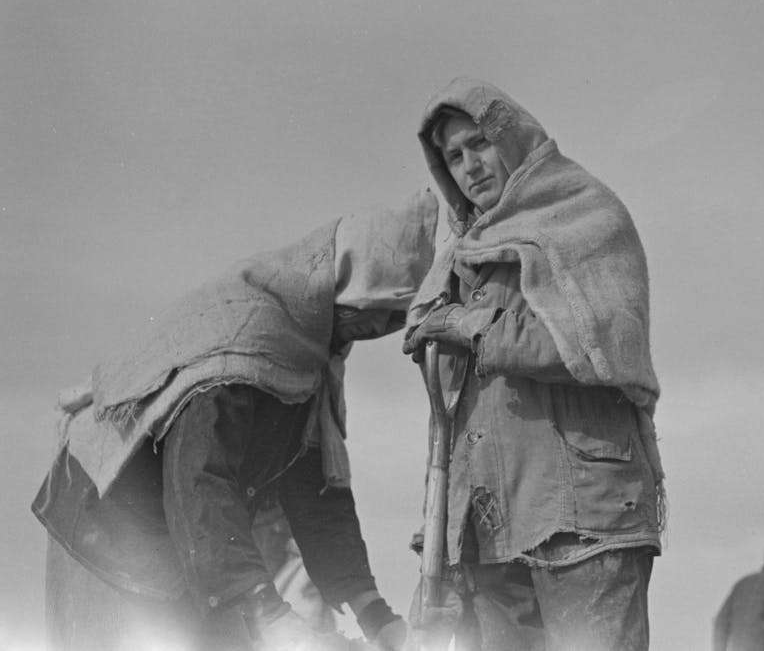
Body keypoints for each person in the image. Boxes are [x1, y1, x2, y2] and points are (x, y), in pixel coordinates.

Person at [32, 191, 438, 651]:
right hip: (114, 525)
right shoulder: (245, 343)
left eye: (395, 316)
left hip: (188, 538)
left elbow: (315, 496)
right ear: (347, 278)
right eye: (377, 305)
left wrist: (376, 617)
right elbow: (201, 481)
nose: (380, 326)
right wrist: (267, 610)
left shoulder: (309, 364)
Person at [401, 78, 664, 651]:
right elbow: (450, 416)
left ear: (511, 138)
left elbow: (601, 345)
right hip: (490, 533)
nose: (470, 167)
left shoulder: (584, 218)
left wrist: (473, 326)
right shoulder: (457, 261)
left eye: (479, 143)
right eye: (454, 157)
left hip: (583, 522)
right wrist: (438, 535)